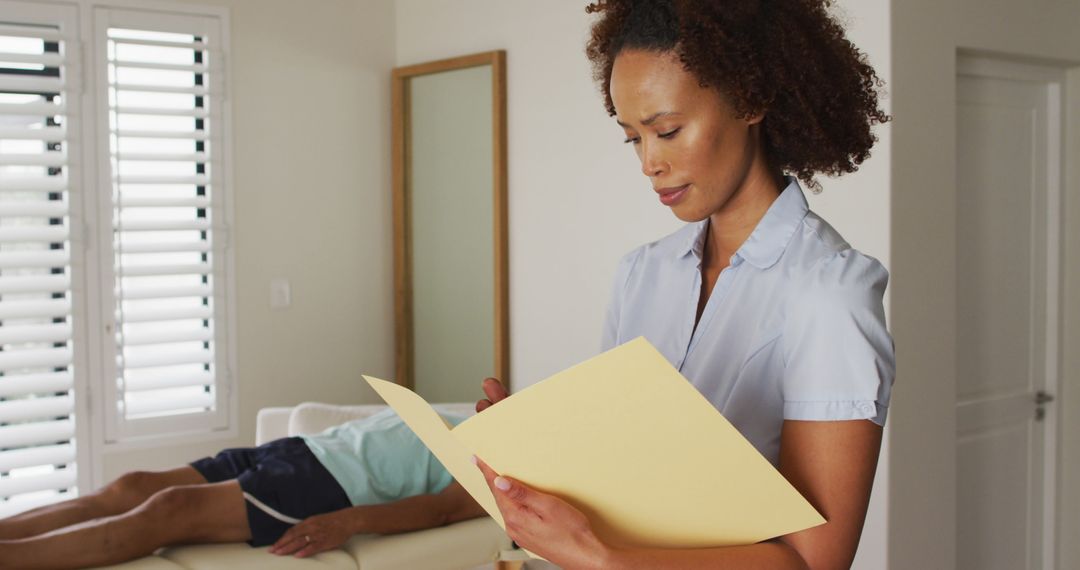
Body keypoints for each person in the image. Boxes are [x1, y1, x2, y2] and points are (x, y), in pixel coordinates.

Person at [474, 1, 895, 568]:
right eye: (632, 139)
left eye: (666, 131)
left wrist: (599, 558)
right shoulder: (641, 275)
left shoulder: (829, 292)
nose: (650, 163)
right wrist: (535, 458)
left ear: (751, 101)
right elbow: (625, 475)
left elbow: (814, 560)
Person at [0, 408, 486, 569]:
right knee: (133, 485)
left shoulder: (512, 467)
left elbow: (443, 511)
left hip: (324, 486)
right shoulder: (486, 418)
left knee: (168, 509)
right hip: (300, 449)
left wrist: (348, 521)